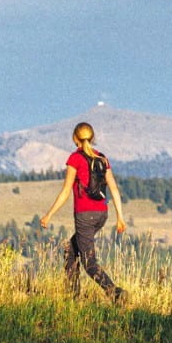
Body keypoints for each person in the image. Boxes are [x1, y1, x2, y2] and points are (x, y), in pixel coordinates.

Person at [40, 121, 127, 304]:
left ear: (74, 138)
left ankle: (115, 293)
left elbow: (65, 191)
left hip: (85, 216)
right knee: (70, 250)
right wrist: (120, 217)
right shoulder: (102, 158)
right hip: (102, 214)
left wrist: (49, 214)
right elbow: (114, 189)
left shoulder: (75, 159)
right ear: (92, 138)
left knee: (89, 263)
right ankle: (72, 297)